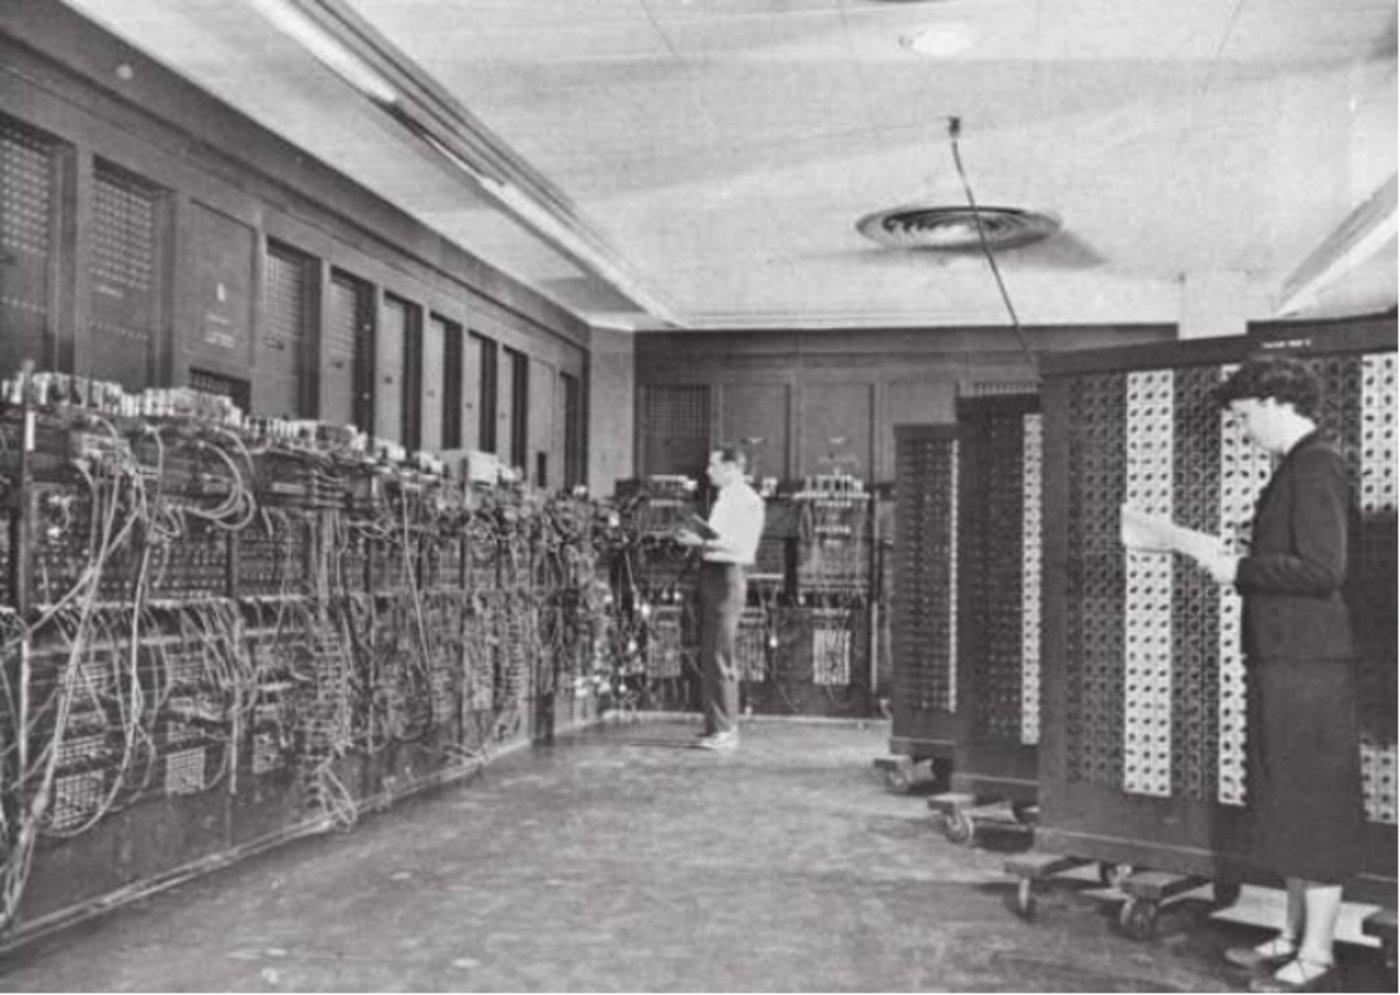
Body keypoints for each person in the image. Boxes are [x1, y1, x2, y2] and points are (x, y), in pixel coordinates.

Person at [1185, 355, 1363, 994]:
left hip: (1309, 667)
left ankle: (1317, 953)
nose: (1241, 430)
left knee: (1312, 803)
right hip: (1288, 661)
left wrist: (1238, 569)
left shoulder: (1316, 466)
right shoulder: (1299, 466)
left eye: (1242, 417)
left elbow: (1322, 570)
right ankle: (1292, 934)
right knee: (1288, 796)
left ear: (1273, 402)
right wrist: (1251, 549)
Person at [676, 446, 765, 751]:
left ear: (732, 468)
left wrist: (700, 542)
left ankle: (726, 730)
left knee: (721, 655)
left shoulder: (746, 500)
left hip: (727, 578)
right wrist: (701, 542)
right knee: (712, 653)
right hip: (715, 576)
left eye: (713, 465)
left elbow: (741, 547)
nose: (708, 471)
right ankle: (716, 726)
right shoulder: (727, 498)